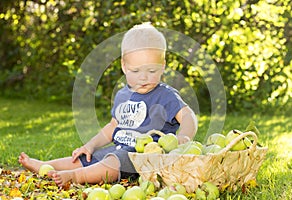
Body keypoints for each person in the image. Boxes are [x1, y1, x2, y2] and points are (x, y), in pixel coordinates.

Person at [19, 22, 198, 187]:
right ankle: (46, 166)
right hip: (117, 150)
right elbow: (112, 127)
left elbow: (188, 116)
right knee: (88, 157)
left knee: (113, 161)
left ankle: (76, 177)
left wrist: (183, 138)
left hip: (143, 158)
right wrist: (90, 145)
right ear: (124, 66)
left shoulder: (165, 95)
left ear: (163, 66)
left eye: (151, 70)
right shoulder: (123, 95)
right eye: (135, 71)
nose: (143, 77)